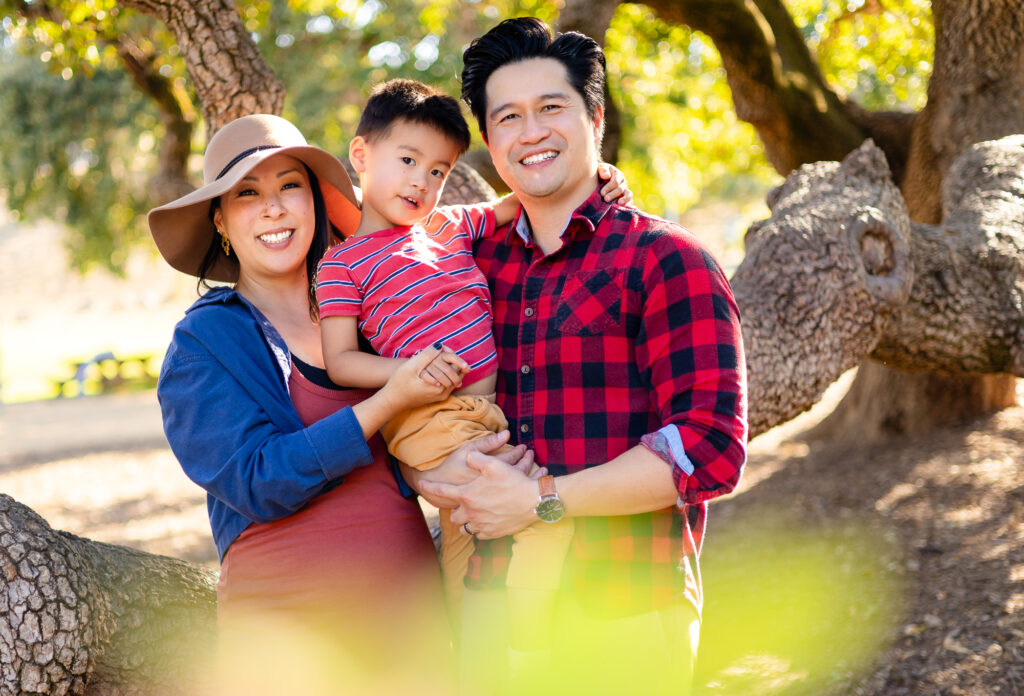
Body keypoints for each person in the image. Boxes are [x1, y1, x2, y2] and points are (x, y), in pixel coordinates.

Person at [414, 17, 749, 695]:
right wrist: (433, 478)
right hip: (488, 599)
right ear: (489, 140)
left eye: (551, 108)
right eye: (507, 117)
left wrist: (541, 501)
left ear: (594, 117)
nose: (530, 132)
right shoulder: (465, 266)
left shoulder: (667, 260)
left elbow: (708, 447)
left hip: (625, 604)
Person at [148, 113, 528, 695]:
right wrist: (385, 401)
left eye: (289, 186)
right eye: (248, 194)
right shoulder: (205, 342)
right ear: (221, 222)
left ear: (315, 202)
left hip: (411, 628)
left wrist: (451, 472)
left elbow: (420, 435)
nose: (274, 208)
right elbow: (256, 479)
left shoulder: (370, 304)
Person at [315, 78, 629, 641]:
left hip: (484, 417)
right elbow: (340, 361)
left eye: (438, 170)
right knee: (543, 525)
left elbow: (517, 204)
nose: (422, 181)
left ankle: (471, 659)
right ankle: (527, 656)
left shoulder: (451, 226)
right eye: (408, 159)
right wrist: (406, 372)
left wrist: (599, 177)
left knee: (468, 548)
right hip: (431, 417)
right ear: (361, 154)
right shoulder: (341, 265)